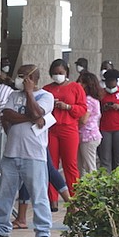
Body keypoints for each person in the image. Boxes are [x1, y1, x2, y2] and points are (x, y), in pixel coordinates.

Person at [0, 65, 54, 237]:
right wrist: (30, 117)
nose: (18, 79)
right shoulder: (13, 95)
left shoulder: (46, 96)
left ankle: (43, 232)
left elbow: (38, 112)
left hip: (34, 155)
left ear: (32, 78)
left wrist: (29, 94)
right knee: (5, 194)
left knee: (39, 194)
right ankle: (2, 228)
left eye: (22, 77)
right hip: (11, 153)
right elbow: (7, 114)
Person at [43, 59, 87, 211]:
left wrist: (68, 107)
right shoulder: (46, 89)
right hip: (51, 129)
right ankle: (52, 199)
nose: (57, 76)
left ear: (66, 72)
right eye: (55, 73)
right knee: (51, 165)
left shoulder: (76, 88)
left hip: (69, 128)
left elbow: (82, 109)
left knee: (70, 165)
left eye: (60, 73)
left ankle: (74, 199)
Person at [76, 71, 102, 175]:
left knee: (90, 167)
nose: (79, 85)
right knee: (80, 166)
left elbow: (83, 120)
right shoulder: (92, 99)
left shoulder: (88, 100)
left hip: (88, 136)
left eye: (82, 83)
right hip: (86, 136)